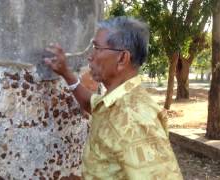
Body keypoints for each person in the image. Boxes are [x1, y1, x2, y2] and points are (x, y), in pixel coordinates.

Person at [45, 16, 183, 179]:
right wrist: (66, 74)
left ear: (122, 58)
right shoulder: (117, 101)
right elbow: (92, 105)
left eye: (97, 48)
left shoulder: (133, 119)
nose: (90, 56)